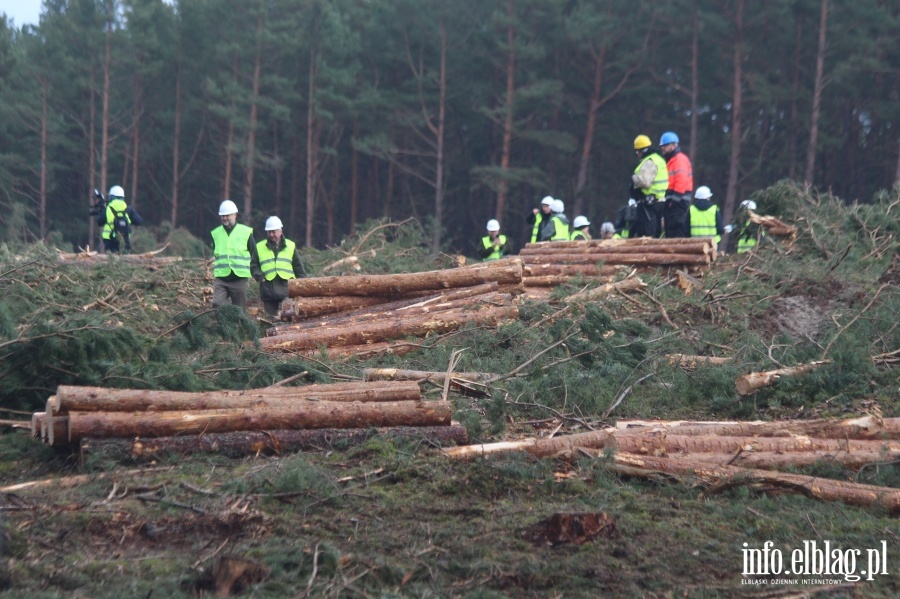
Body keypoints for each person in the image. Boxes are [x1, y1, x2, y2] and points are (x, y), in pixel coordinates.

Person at [251, 216, 307, 317]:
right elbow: (254, 266)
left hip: (287, 290)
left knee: (289, 318)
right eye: (269, 232)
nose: (271, 235)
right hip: (268, 290)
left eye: (274, 232)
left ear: (280, 231)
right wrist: (260, 277)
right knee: (271, 321)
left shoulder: (291, 246)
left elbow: (298, 268)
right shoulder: (259, 247)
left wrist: (302, 287)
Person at [211, 199, 256, 309]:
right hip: (222, 279)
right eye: (223, 216)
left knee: (239, 310)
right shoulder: (215, 233)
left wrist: (256, 273)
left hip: (239, 279)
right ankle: (219, 326)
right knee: (217, 305)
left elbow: (254, 253)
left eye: (227, 215)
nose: (225, 218)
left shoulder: (245, 232)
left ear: (235, 215)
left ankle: (238, 326)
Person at [629, 135, 668, 238]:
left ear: (642, 150)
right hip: (660, 201)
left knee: (647, 234)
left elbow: (645, 182)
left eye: (637, 151)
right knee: (656, 233)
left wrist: (634, 178)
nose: (637, 154)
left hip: (650, 204)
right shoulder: (659, 159)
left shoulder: (649, 162)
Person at [659, 131, 693, 238]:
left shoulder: (679, 159)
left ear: (674, 145)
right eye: (662, 146)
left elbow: (681, 181)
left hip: (678, 201)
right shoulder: (672, 160)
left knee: (676, 228)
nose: (663, 148)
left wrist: (674, 200)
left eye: (665, 145)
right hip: (673, 200)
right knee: (670, 229)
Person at [97, 185, 142, 254]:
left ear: (111, 197)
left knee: (111, 262)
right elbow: (139, 221)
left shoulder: (107, 209)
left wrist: (101, 212)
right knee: (125, 261)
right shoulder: (128, 209)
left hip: (110, 241)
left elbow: (99, 222)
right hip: (125, 241)